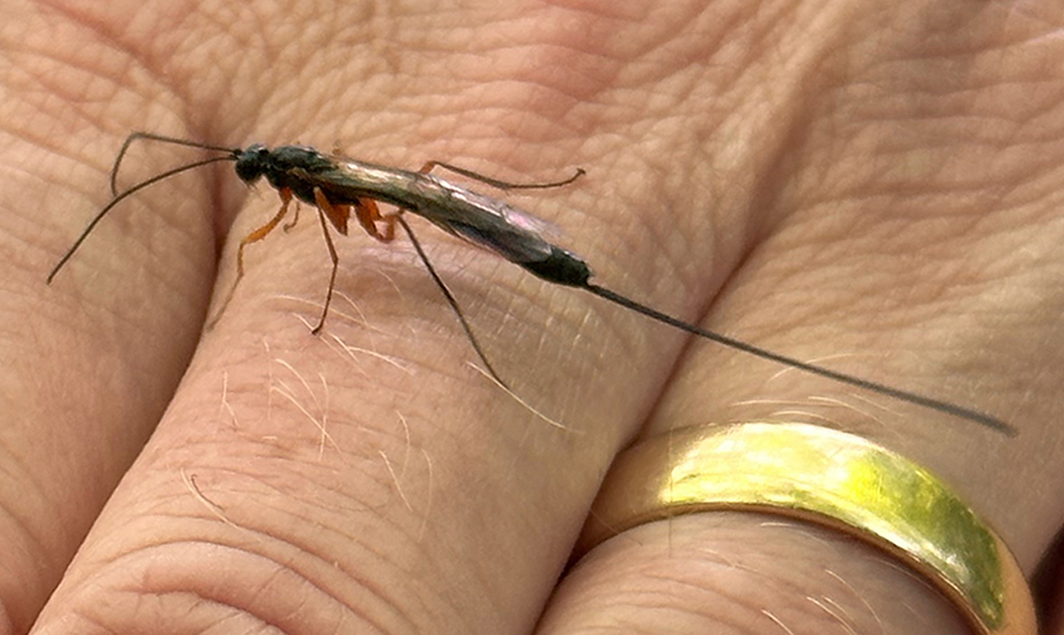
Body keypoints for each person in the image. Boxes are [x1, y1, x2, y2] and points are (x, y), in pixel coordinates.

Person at [1, 1, 1057, 633]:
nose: (255, 182)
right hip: (468, 220)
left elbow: (370, 222)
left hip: (505, 242)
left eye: (255, 173)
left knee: (423, 213)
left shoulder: (314, 188)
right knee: (415, 211)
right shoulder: (303, 185)